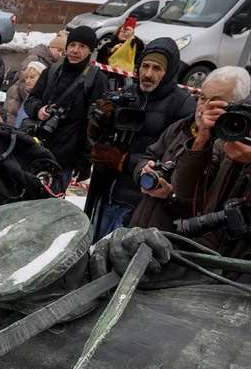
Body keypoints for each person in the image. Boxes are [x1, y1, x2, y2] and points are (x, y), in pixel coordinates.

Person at [86, 38, 196, 240]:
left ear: (169, 72)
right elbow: (102, 143)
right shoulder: (127, 93)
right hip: (106, 192)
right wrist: (97, 124)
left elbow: (178, 158)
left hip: (142, 203)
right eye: (145, 65)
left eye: (157, 68)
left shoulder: (182, 105)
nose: (148, 74)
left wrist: (124, 162)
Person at [130, 66, 251, 231]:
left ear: (238, 107)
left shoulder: (234, 148)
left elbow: (209, 208)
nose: (204, 109)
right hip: (143, 222)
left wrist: (170, 195)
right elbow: (148, 155)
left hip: (178, 240)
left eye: (215, 102)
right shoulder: (181, 126)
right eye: (202, 98)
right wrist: (143, 173)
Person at [169, 92, 251, 265]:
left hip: (242, 265)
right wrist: (201, 139)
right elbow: (182, 189)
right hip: (204, 249)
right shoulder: (226, 143)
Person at [23, 26, 109, 188]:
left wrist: (85, 160)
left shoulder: (96, 79)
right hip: (39, 147)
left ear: (90, 51)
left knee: (52, 206)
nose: (75, 50)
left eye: (82, 46)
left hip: (66, 158)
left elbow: (96, 125)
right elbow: (31, 100)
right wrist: (39, 110)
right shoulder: (53, 71)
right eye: (72, 45)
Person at [4, 31, 64, 124]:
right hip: (17, 102)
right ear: (51, 47)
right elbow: (24, 83)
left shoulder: (48, 61)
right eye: (58, 50)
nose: (60, 54)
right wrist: (32, 103)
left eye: (62, 52)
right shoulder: (35, 58)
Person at [97, 18, 144, 86]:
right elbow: (100, 58)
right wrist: (111, 50)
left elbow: (139, 56)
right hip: (107, 77)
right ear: (118, 32)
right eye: (123, 31)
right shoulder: (109, 45)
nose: (125, 34)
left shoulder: (135, 45)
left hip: (126, 80)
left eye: (128, 32)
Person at [4, 61, 46, 127]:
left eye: (32, 77)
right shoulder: (28, 95)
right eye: (26, 78)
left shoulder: (42, 97)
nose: (28, 81)